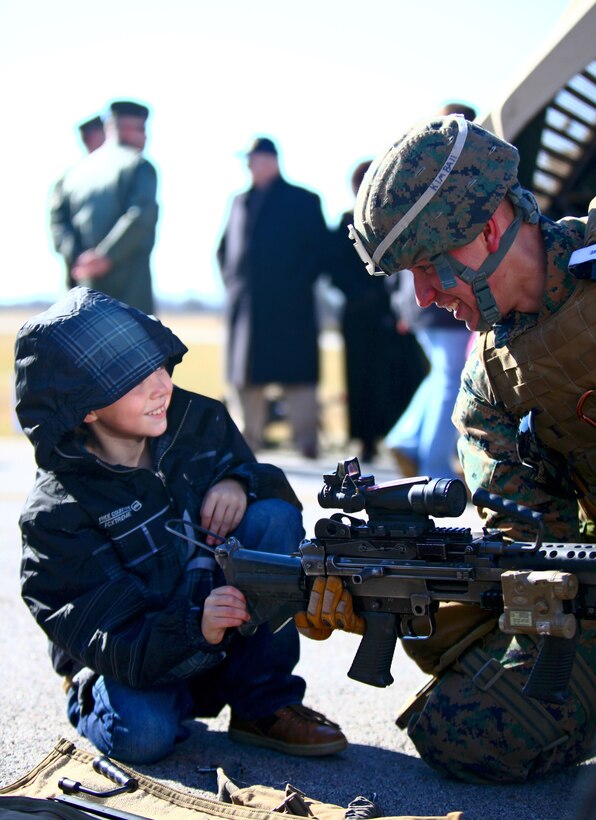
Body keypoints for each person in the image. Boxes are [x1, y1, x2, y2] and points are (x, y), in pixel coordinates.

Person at [312, 114, 595, 783]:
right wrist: (391, 595)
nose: (425, 297)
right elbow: (535, 555)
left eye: (427, 269)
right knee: (461, 726)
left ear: (487, 232)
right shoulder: (488, 386)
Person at [14, 286, 347, 765]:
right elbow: (111, 634)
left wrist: (239, 481)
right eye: (134, 381)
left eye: (159, 367)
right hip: (135, 656)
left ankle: (266, 704)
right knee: (144, 735)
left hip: (219, 636)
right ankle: (92, 698)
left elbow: (270, 488)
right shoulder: (57, 514)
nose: (161, 387)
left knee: (271, 520)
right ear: (84, 408)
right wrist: (196, 628)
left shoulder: (197, 421)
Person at [217, 137, 328, 459]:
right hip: (248, 307)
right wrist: (235, 284)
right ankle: (247, 443)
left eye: (256, 160)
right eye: (248, 161)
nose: (251, 166)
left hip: (290, 306)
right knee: (245, 377)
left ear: (272, 161)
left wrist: (296, 284)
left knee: (298, 376)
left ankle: (307, 441)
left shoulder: (304, 200)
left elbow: (318, 250)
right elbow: (224, 250)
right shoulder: (239, 201)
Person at [384, 104, 476, 479]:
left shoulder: (418, 171)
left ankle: (407, 437)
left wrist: (401, 306)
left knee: (442, 373)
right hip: (441, 298)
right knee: (451, 377)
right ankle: (435, 464)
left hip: (415, 299)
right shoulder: (462, 171)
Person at [325, 160, 427, 462]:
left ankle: (400, 437)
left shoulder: (396, 219)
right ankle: (366, 440)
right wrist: (366, 295)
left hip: (393, 316)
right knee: (362, 381)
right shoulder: (346, 223)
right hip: (360, 317)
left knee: (401, 377)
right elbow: (335, 270)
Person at [50, 100, 158, 314]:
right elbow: (140, 216)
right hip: (127, 296)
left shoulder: (72, 174)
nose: (146, 138)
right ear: (127, 129)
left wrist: (79, 258)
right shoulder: (139, 166)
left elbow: (57, 222)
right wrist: (106, 256)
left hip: (78, 295)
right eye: (142, 130)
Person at [50, 114, 106, 288]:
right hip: (80, 276)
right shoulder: (68, 179)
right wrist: (79, 258)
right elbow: (58, 226)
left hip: (116, 273)